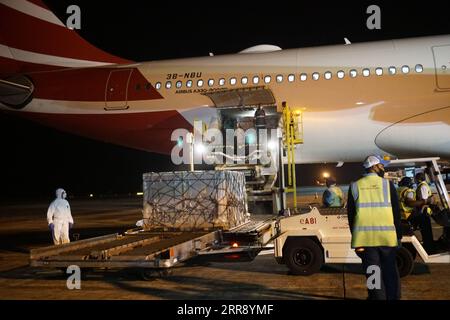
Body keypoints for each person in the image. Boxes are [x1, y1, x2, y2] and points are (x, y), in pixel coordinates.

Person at [347, 155, 402, 300]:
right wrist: (399, 236)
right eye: (381, 166)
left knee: (373, 272)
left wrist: (356, 237)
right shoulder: (387, 185)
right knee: (390, 271)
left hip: (365, 240)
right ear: (375, 167)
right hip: (387, 239)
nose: (383, 168)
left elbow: (351, 216)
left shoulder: (354, 186)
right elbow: (396, 212)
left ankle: (376, 297)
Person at [397, 177, 435, 252]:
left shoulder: (398, 189)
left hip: (400, 215)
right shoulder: (408, 191)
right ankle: (429, 246)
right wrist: (425, 201)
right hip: (407, 215)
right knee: (425, 219)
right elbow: (410, 203)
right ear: (409, 184)